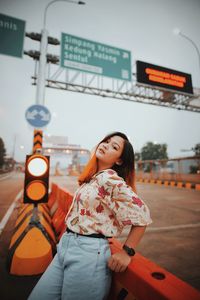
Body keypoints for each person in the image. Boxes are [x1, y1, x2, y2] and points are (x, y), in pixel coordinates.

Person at [28, 131, 152, 300]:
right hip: (66, 247)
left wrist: (126, 252)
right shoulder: (94, 178)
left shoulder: (110, 179)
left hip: (88, 255)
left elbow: (142, 215)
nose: (106, 145)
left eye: (114, 147)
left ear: (119, 160)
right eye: (106, 141)